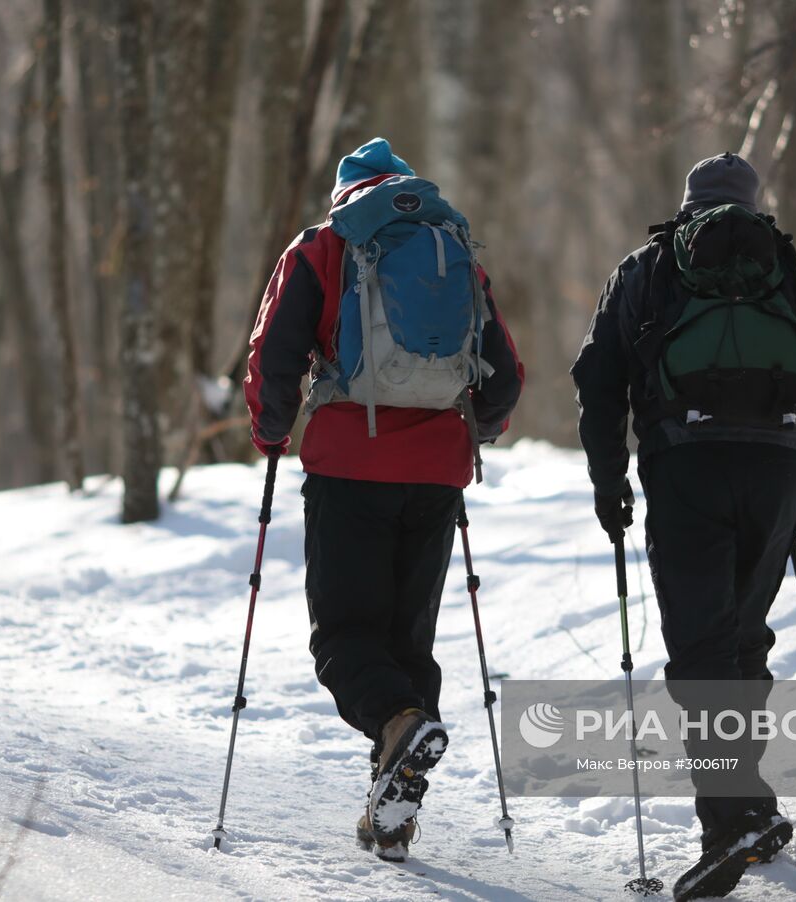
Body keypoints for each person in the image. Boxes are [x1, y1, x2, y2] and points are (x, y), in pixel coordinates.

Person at [571, 152, 796, 900]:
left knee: (701, 652)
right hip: (776, 471)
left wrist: (610, 481)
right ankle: (751, 806)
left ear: (689, 205)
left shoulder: (649, 269)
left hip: (687, 469)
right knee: (739, 640)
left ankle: (727, 826)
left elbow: (598, 381)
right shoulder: (789, 278)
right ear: (754, 207)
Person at [244, 137, 524, 862]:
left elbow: (274, 352)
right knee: (407, 642)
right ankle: (391, 811)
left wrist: (271, 429)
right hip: (436, 472)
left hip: (349, 467)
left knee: (344, 638)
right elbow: (504, 373)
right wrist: (473, 432)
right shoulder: (450, 242)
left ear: (345, 193)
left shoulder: (322, 246)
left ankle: (399, 729)